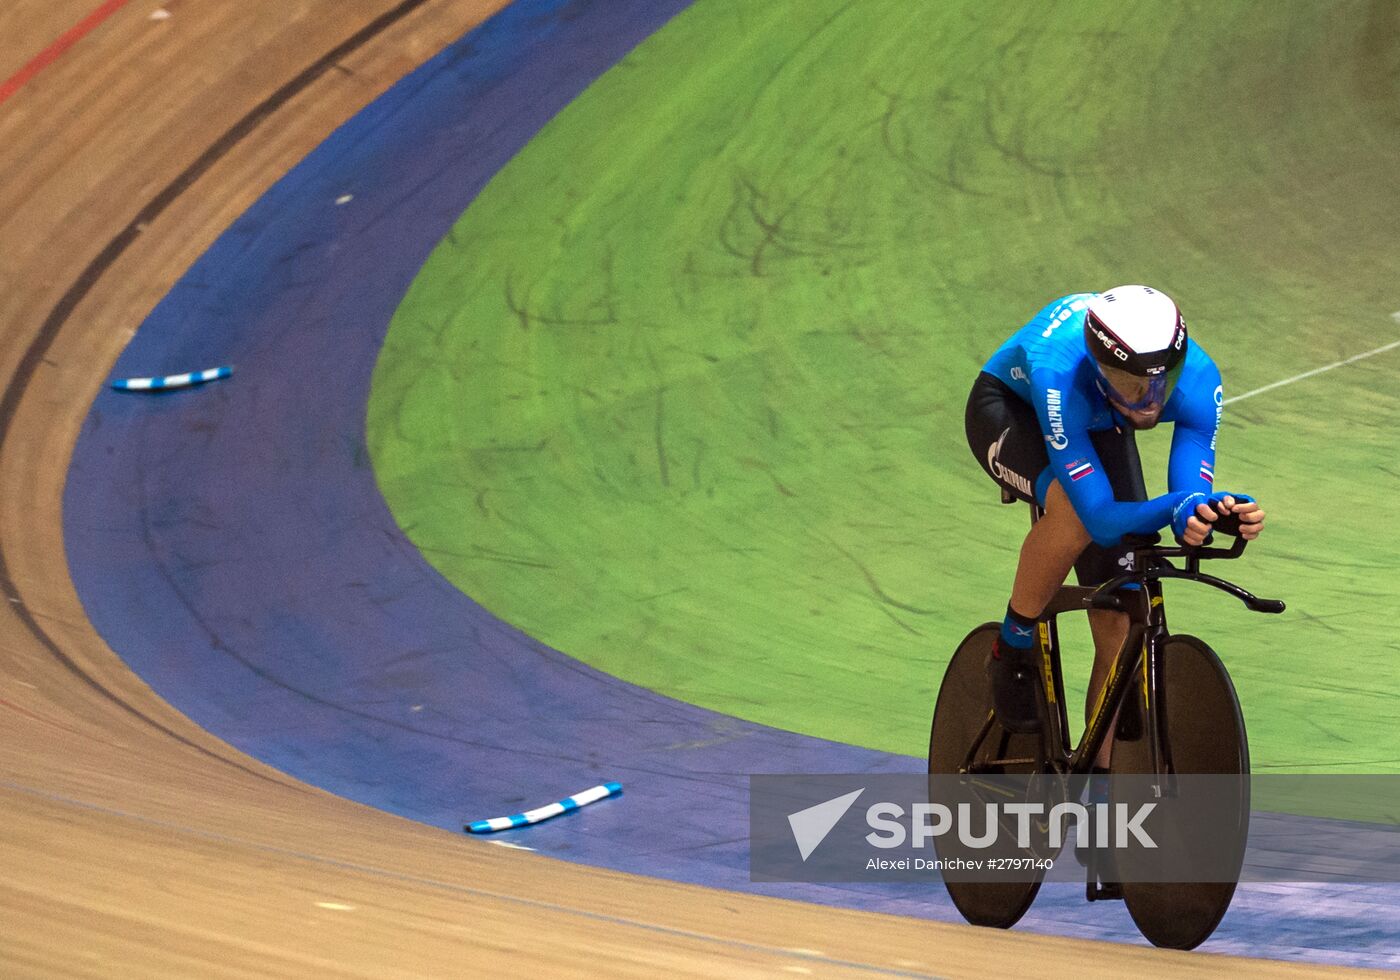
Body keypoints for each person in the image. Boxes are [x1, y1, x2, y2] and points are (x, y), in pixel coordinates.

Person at [964, 285, 1266, 767]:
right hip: (1013, 409)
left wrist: (1207, 513)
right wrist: (1175, 507)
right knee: (1074, 516)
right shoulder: (1059, 374)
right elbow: (1102, 520)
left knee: (1120, 626)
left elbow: (1188, 495)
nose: (1149, 401)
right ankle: (1013, 644)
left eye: (1161, 383)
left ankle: (1100, 780)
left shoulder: (1198, 377)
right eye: (1129, 383)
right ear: (1099, 366)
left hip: (1101, 420)